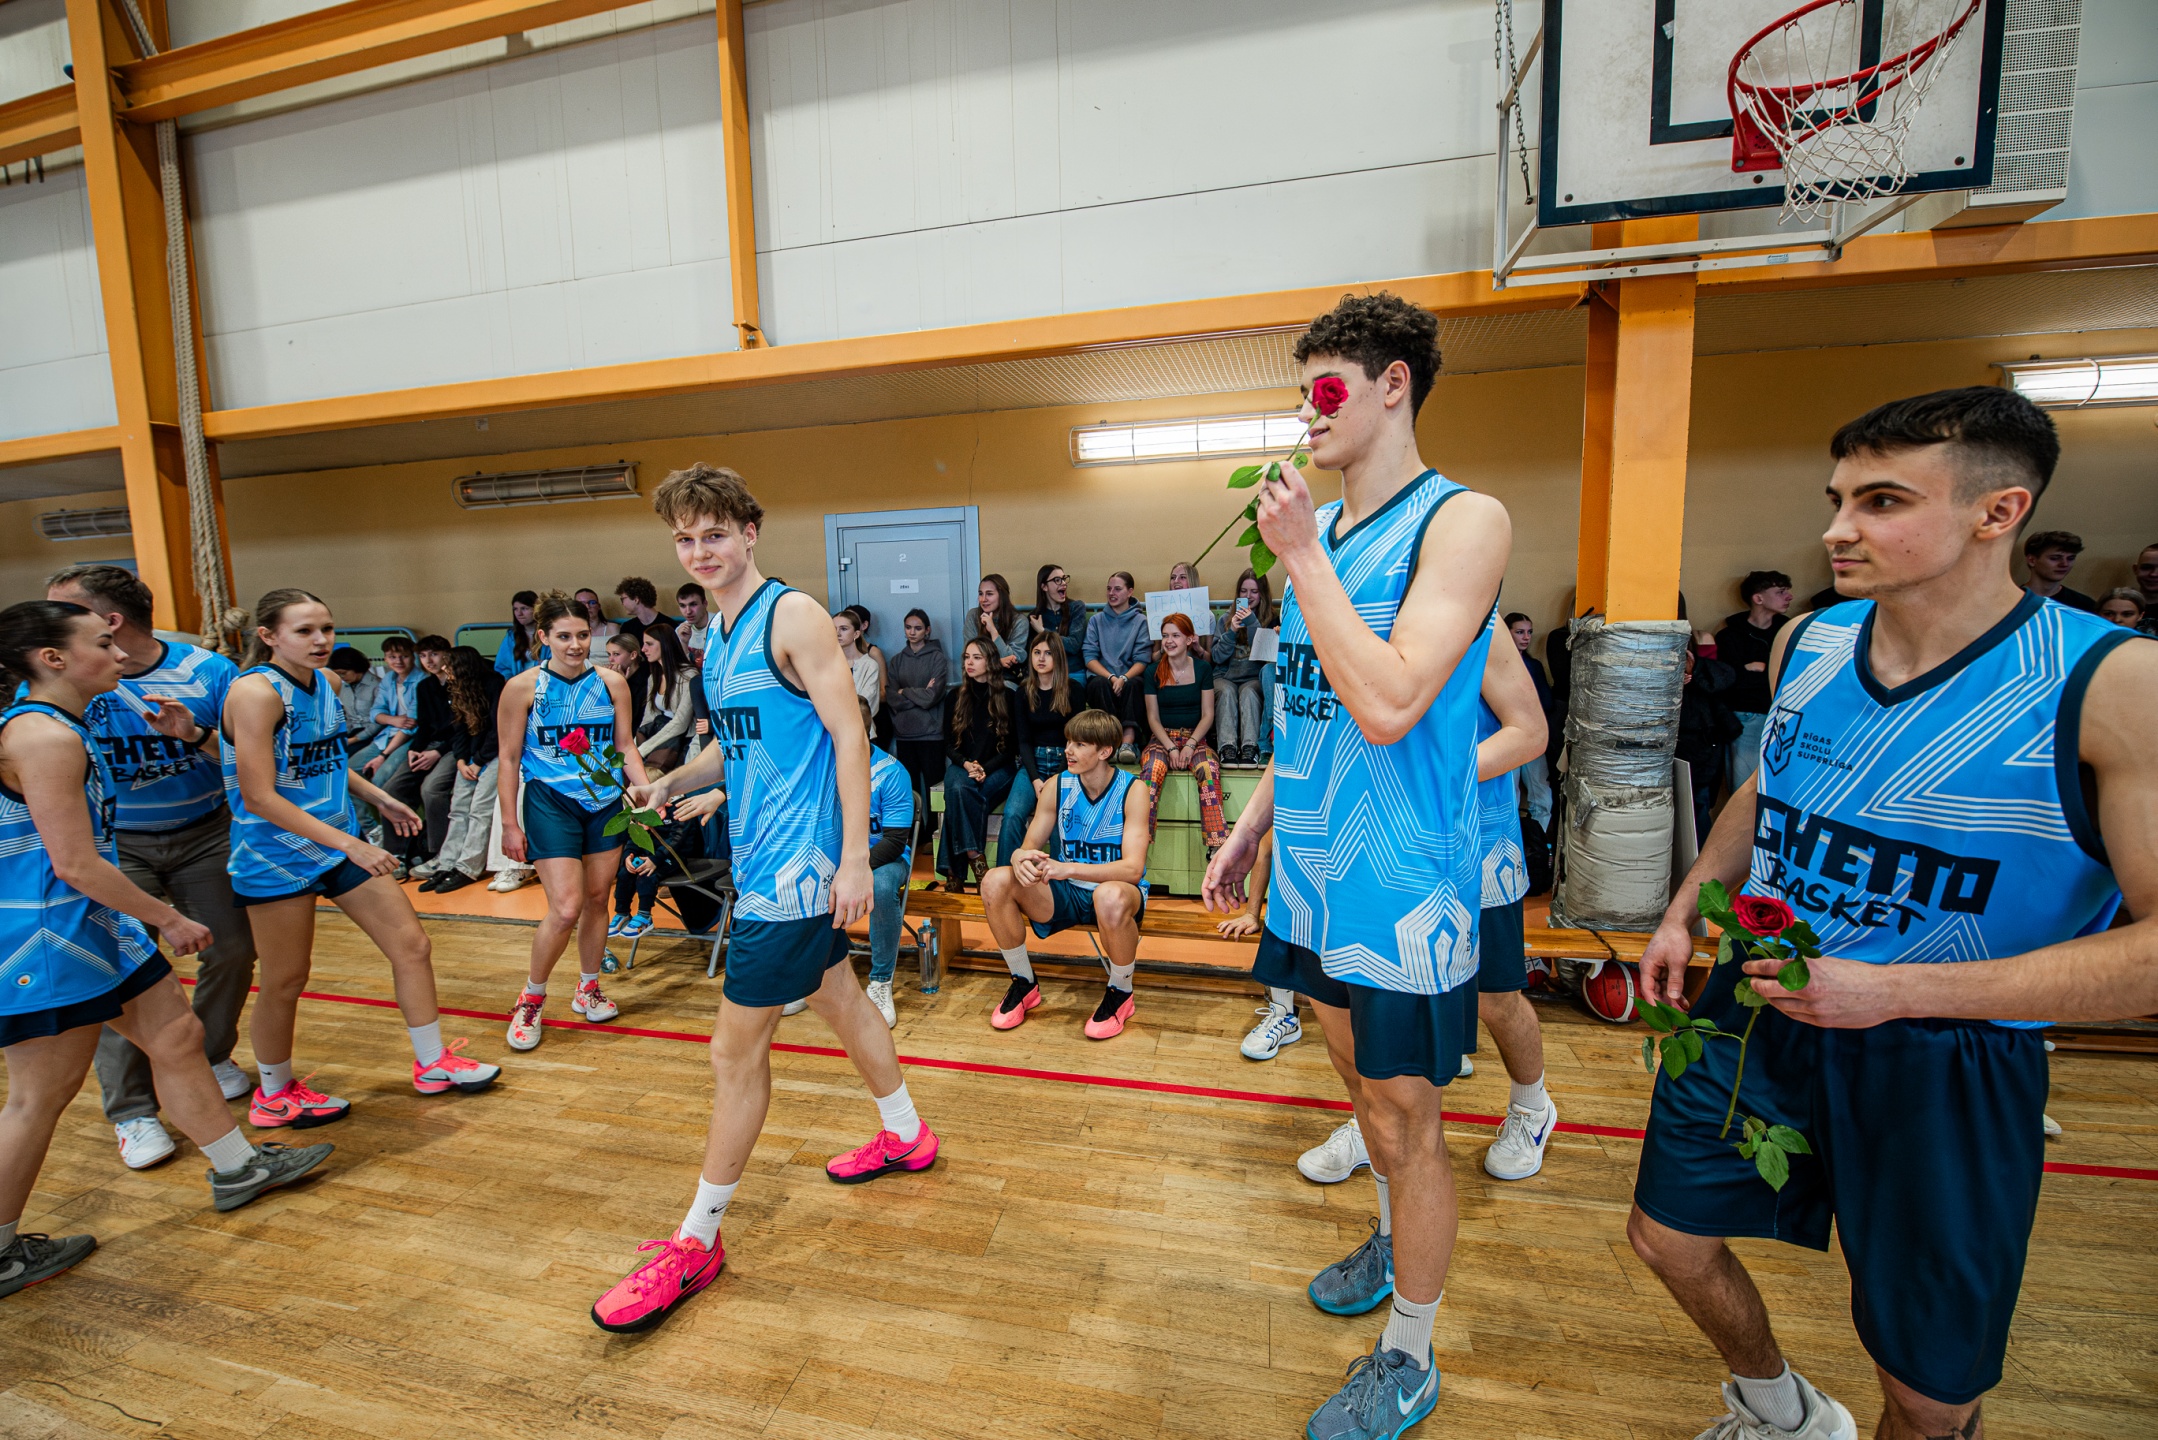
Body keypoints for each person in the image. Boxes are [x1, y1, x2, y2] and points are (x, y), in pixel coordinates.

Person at [1629, 386, 2158, 1440]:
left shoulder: (2111, 683)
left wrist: (1892, 990)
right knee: (1667, 1237)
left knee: (1926, 1393)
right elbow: (1770, 788)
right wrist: (1687, 905)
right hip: (1761, 998)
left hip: (1946, 1052)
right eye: (1837, 500)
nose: (1839, 528)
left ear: (1997, 512)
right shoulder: (1811, 640)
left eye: (1880, 502)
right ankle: (1778, 1408)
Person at [1201, 291, 1510, 1438]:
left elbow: (1387, 704)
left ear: (1392, 386)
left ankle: (1410, 1353)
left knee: (1407, 1116)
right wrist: (1250, 827)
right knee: (1354, 1089)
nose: (1307, 413)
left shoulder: (1462, 522)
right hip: (1311, 869)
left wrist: (1298, 557)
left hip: (1403, 883)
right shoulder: (1321, 536)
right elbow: (1309, 713)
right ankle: (1387, 1237)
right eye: (1301, 393)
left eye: (1325, 390)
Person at [589, 462, 937, 1335]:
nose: (700, 551)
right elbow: (736, 746)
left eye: (715, 534)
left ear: (750, 532)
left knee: (733, 1056)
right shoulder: (719, 633)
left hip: (796, 876)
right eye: (685, 538)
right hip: (762, 863)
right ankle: (905, 1132)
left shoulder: (793, 615)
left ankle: (697, 1239)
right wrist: (672, 782)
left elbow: (850, 734)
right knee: (841, 998)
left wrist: (853, 859)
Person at [1, 601, 335, 1299]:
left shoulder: (65, 724)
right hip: (48, 938)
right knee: (39, 1097)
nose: (120, 654)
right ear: (52, 659)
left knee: (177, 1037)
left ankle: (238, 1167)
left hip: (92, 925)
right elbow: (73, 863)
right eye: (102, 644)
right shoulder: (42, 736)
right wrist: (168, 918)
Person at [223, 588, 501, 1131]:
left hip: (337, 844)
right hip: (275, 854)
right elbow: (258, 795)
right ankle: (274, 1095)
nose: (320, 640)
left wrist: (381, 798)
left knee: (412, 945)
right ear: (269, 636)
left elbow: (327, 763)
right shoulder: (254, 694)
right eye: (304, 631)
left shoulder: (326, 684)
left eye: (326, 628)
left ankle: (432, 1063)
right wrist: (351, 843)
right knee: (286, 978)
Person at [41, 565, 257, 1170]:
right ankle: (133, 1111)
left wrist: (195, 736)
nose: (51, 619)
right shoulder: (66, 685)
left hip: (204, 831)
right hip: (116, 847)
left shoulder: (207, 671)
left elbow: (248, 758)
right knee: (123, 975)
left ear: (110, 621)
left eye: (65, 608)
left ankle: (204, 1057)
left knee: (233, 949)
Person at [496, 592, 646, 1048]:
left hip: (604, 803)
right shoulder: (522, 687)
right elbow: (508, 758)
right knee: (565, 908)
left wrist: (644, 794)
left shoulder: (611, 683)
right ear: (543, 637)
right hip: (550, 801)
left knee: (598, 899)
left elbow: (624, 746)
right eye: (564, 636)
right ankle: (532, 998)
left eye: (582, 635)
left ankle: (588, 986)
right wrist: (509, 824)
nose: (575, 645)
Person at [978, 707, 1152, 1039]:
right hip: (1067, 891)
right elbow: (1028, 848)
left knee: (1109, 896)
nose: (1068, 750)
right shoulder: (1057, 785)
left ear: (1105, 751)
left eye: (1080, 744)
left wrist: (1067, 867)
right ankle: (1024, 983)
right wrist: (1018, 857)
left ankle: (1121, 992)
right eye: (1068, 741)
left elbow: (1132, 869)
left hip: (1117, 892)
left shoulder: (1133, 790)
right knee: (995, 881)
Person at [1460, 628, 1556, 1181]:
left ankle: (1531, 1107)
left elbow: (1530, 733)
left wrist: (1432, 779)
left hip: (1479, 842)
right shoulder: (1366, 610)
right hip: (1396, 844)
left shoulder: (1481, 624)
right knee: (1390, 993)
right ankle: (1377, 1116)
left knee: (1495, 997)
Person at [416, 646, 503, 896]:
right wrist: (461, 760)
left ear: (463, 666)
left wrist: (478, 761)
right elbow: (459, 729)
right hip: (471, 757)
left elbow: (498, 730)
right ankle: (447, 864)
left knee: (479, 809)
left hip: (496, 753)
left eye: (449, 664)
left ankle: (467, 867)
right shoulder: (457, 688)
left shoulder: (494, 683)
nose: (444, 669)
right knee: (458, 808)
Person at [1139, 612, 1226, 856]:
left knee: (1209, 769)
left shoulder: (1203, 668)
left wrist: (1189, 745)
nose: (1169, 641)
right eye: (1165, 636)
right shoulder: (1152, 671)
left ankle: (1216, 846)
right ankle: (1139, 842)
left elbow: (1207, 714)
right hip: (1162, 738)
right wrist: (1170, 747)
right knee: (1152, 771)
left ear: (1189, 639)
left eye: (1176, 635)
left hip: (1195, 738)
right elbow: (1153, 718)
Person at [937, 638, 1019, 893]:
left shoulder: (1008, 696)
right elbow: (948, 743)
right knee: (959, 789)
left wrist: (985, 768)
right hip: (962, 766)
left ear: (990, 661)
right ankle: (976, 858)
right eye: (966, 657)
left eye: (976, 657)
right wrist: (965, 764)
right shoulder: (954, 697)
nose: (969, 662)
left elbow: (1011, 748)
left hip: (998, 767)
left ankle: (954, 873)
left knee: (960, 797)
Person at [997, 632, 1086, 863]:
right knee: (1012, 814)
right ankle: (1005, 875)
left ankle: (1058, 880)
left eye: (1048, 653)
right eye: (1037, 653)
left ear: (1058, 657)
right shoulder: (1023, 692)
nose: (1041, 658)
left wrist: (1056, 778)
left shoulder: (1074, 689)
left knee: (1059, 822)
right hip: (1032, 763)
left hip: (1066, 765)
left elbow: (1075, 739)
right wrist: (1036, 779)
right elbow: (1023, 741)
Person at [862, 697, 915, 1029]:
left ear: (865, 729)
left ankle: (880, 981)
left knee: (880, 886)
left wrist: (853, 870)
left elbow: (894, 841)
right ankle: (808, 976)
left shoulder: (891, 772)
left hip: (886, 858)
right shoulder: (823, 765)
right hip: (839, 857)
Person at [1715, 570, 1794, 793]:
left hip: (1784, 716)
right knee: (1745, 789)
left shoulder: (1790, 633)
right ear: (1758, 598)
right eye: (1780, 592)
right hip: (1747, 717)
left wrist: (1761, 668)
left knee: (1778, 787)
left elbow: (1795, 675)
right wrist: (1768, 672)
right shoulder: (1730, 636)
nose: (1789, 597)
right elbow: (1730, 682)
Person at [364, 637, 427, 877]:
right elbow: (376, 713)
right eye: (392, 657)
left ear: (413, 657)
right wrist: (393, 720)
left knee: (381, 781)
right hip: (387, 734)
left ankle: (399, 845)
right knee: (348, 771)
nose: (398, 661)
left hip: (405, 739)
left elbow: (411, 724)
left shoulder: (421, 680)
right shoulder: (389, 679)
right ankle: (372, 830)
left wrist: (384, 755)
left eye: (404, 656)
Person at [887, 609, 948, 850]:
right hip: (905, 734)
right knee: (908, 787)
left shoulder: (937, 658)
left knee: (934, 785)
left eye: (918, 628)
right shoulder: (897, 660)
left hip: (931, 734)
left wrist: (906, 692)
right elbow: (892, 697)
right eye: (908, 627)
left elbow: (933, 696)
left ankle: (934, 835)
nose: (912, 632)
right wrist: (919, 694)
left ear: (927, 630)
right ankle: (911, 835)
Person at [1674, 638, 1740, 849]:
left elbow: (1728, 677)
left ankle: (1700, 857)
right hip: (1674, 749)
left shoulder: (1704, 670)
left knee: (1697, 808)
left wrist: (1695, 670)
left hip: (1699, 752)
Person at [1082, 571, 1149, 761]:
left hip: (1130, 677)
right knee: (1098, 684)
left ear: (1130, 592)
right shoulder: (1096, 621)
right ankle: (1110, 741)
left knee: (1135, 685)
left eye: (1117, 589)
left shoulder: (1140, 621)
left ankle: (1128, 742)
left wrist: (1124, 678)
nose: (1112, 593)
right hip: (1104, 677)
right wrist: (1111, 677)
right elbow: (1089, 657)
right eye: (1109, 589)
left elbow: (1142, 659)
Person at [1211, 568, 1273, 765]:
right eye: (1243, 591)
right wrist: (1231, 632)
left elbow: (1265, 655)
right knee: (1226, 692)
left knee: (1248, 693)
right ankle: (1226, 747)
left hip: (1253, 677)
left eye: (1254, 591)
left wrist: (1252, 623)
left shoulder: (1270, 619)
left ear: (1262, 594)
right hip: (1224, 676)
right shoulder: (1225, 619)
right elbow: (1217, 656)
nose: (1248, 596)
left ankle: (1250, 747)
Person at [635, 623, 699, 773]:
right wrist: (635, 749)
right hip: (661, 736)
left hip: (683, 740)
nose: (643, 649)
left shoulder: (688, 676)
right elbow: (649, 718)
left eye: (649, 644)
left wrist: (643, 749)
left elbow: (680, 723)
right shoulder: (653, 677)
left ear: (664, 644)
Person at [964, 573, 1028, 682]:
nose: (983, 599)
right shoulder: (973, 616)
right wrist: (999, 663)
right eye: (980, 594)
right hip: (978, 678)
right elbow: (970, 655)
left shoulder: (1019, 621)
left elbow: (1013, 660)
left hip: (1007, 679)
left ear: (1002, 596)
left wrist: (993, 631)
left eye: (989, 594)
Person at [2021, 528, 2098, 612]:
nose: (2065, 564)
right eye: (2055, 558)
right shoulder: (2014, 599)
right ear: (2032, 560)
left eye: (2070, 558)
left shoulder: (2084, 605)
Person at [1030, 563, 1089, 669]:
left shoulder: (1076, 608)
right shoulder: (1035, 618)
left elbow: (1074, 645)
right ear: (1044, 587)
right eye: (1057, 580)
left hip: (1073, 671)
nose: (1064, 583)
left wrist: (1043, 632)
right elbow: (1033, 654)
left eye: (1064, 579)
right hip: (1047, 673)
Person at [329, 647, 382, 754]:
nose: (341, 677)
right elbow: (349, 718)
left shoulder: (377, 685)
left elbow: (379, 722)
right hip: (352, 733)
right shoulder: (345, 687)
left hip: (373, 734)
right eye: (337, 674)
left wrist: (354, 739)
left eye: (343, 673)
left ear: (356, 667)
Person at [835, 609, 882, 716]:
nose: (837, 633)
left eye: (843, 629)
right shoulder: (828, 664)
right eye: (834, 629)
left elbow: (866, 705)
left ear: (856, 634)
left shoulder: (869, 665)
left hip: (860, 723)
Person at [494, 591, 546, 679]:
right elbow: (502, 668)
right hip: (517, 683)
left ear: (536, 609)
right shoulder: (511, 636)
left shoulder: (548, 634)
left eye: (524, 608)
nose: (519, 613)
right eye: (515, 609)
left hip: (545, 683)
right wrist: (510, 682)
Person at [613, 576, 673, 643]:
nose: (622, 604)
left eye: (622, 599)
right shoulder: (627, 628)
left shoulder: (669, 626)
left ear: (636, 599)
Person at [675, 582, 714, 664]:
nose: (688, 611)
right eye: (683, 606)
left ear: (705, 604)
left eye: (693, 604)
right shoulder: (680, 631)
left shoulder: (719, 625)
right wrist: (684, 643)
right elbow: (682, 667)